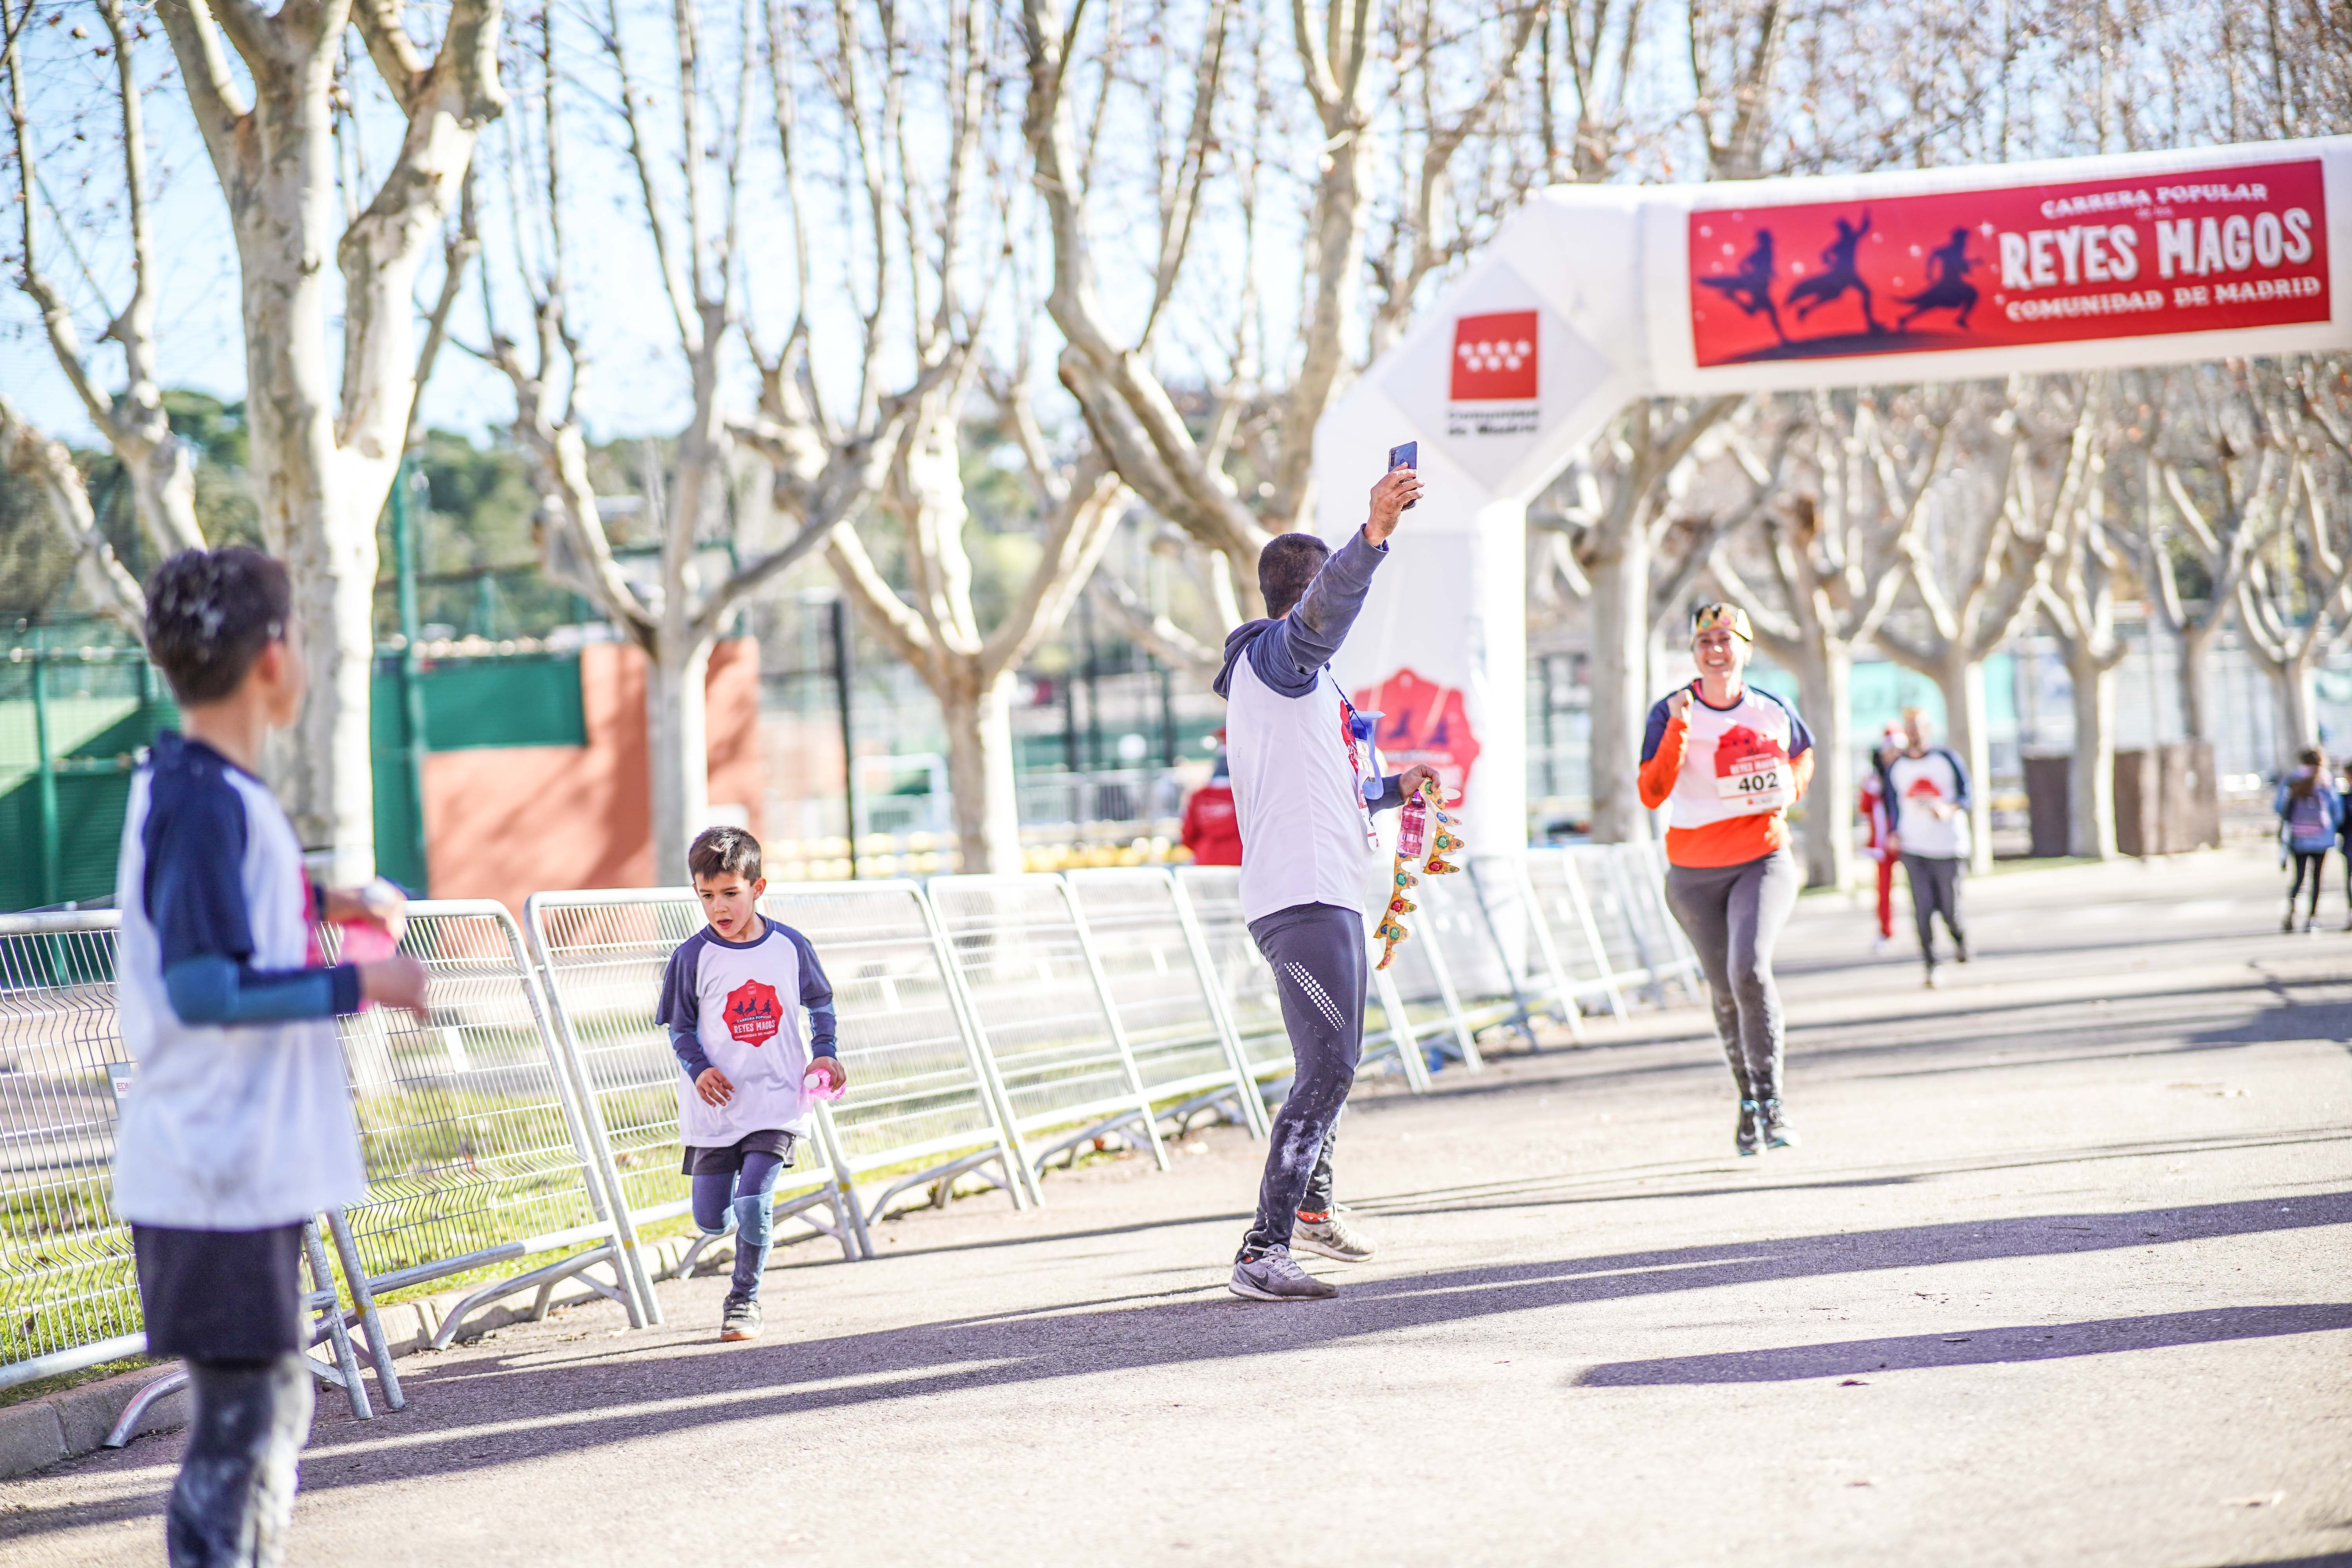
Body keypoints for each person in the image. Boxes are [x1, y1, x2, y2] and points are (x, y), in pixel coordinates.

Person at [113, 547, 430, 1568]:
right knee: (243, 1428)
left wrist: (332, 905)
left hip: (237, 1167)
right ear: (272, 659)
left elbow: (226, 915)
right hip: (215, 1169)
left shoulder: (210, 789)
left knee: (270, 1408)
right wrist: (360, 983)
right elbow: (202, 988)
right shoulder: (203, 801)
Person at [1213, 463, 1439, 1302]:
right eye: (1328, 595)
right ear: (1305, 597)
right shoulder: (1277, 656)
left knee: (1334, 1058)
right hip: (1297, 896)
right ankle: (1261, 1246)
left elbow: (1332, 785)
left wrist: (1392, 787)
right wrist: (1373, 535)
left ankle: (1310, 1211)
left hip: (1331, 888)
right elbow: (1321, 619)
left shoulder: (1306, 684)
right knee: (1329, 1066)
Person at [657, 826, 848, 1341]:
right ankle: (726, 1240)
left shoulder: (789, 946)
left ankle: (743, 1301)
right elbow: (679, 1028)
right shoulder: (691, 958)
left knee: (754, 1203)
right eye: (707, 896)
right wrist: (700, 1069)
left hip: (778, 1099)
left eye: (730, 894)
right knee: (713, 1221)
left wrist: (825, 1054)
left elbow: (820, 1003)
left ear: (757, 889)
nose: (719, 906)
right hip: (717, 1107)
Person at [1639, 604, 1815, 1156]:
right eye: (1705, 640)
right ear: (1693, 652)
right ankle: (1747, 1105)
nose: (1716, 648)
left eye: (1726, 638)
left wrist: (1789, 785)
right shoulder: (1670, 710)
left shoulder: (1770, 708)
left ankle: (1773, 1102)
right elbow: (1652, 792)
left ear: (1746, 647)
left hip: (1761, 859)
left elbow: (1802, 756)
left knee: (1750, 970)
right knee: (1723, 990)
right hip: (1693, 873)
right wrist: (1679, 726)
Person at [1885, 707, 1971, 986]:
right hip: (1914, 847)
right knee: (1922, 909)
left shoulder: (1946, 759)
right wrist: (1893, 833)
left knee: (1949, 909)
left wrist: (1949, 809)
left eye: (1918, 726)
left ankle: (1960, 938)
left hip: (1948, 846)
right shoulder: (1897, 768)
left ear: (1928, 729)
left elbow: (1966, 795)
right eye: (1908, 727)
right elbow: (1892, 804)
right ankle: (1932, 965)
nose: (1913, 732)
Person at [2274, 748, 2341, 934]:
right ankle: (2312, 918)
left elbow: (2279, 807)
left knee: (2299, 877)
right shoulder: (2326, 781)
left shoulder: (2292, 779)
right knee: (2317, 878)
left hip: (2298, 838)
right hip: (2322, 838)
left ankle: (2291, 912)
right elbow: (2337, 811)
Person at [1786, 212, 1885, 334]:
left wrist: (1867, 215)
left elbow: (1864, 228)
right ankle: (1871, 324)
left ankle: (1806, 309)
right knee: (1849, 294)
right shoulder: (1844, 241)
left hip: (1848, 274)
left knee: (1838, 295)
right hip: (1845, 275)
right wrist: (1832, 264)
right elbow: (1824, 254)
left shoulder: (1848, 240)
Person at [1858, 725, 1902, 952]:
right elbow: (1864, 807)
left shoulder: (1908, 772)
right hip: (1884, 842)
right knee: (1884, 890)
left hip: (1910, 839)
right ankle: (1886, 931)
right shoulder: (1875, 778)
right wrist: (1871, 788)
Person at [1180, 738, 1242, 866]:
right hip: (1240, 860)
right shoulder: (1245, 795)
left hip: (1207, 861)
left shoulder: (1199, 796)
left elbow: (1188, 833)